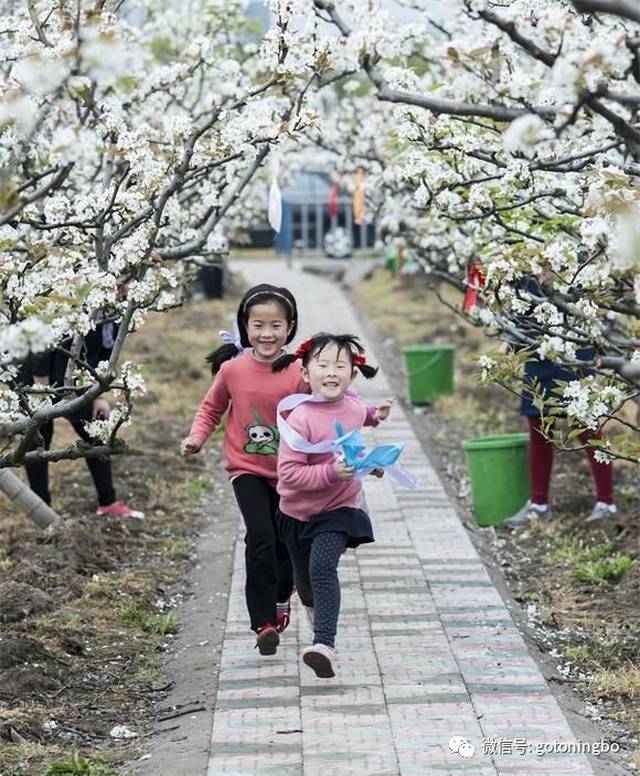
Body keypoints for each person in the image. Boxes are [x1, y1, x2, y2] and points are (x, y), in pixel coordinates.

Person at [181, 284, 304, 655]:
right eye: (258, 325)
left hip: (290, 470)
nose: (267, 334)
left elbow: (325, 408)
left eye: (276, 326)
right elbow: (211, 409)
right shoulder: (233, 370)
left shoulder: (301, 370)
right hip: (246, 468)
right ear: (245, 327)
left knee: (286, 543)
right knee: (260, 537)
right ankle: (263, 621)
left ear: (290, 327)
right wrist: (196, 438)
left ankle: (283, 594)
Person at [272, 333, 393, 678]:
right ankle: (313, 611)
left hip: (339, 510)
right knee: (307, 582)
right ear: (306, 374)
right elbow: (289, 474)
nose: (332, 372)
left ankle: (324, 644)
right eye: (322, 365)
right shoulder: (300, 419)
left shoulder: (353, 404)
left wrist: (376, 416)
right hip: (295, 514)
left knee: (323, 567)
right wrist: (330, 471)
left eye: (340, 365)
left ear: (352, 375)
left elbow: (358, 413)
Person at [503, 280, 616, 528]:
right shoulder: (526, 249)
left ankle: (606, 502)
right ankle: (538, 504)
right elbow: (521, 294)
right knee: (539, 421)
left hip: (575, 339)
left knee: (585, 421)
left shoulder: (578, 248)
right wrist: (512, 337)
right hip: (538, 342)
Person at [17, 317, 144, 519]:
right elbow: (45, 335)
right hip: (37, 373)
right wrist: (40, 385)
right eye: (122, 284)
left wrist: (98, 395)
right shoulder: (84, 298)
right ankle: (41, 509)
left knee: (96, 431)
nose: (124, 288)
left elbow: (103, 357)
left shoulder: (117, 312)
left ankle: (108, 502)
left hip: (75, 378)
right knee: (38, 440)